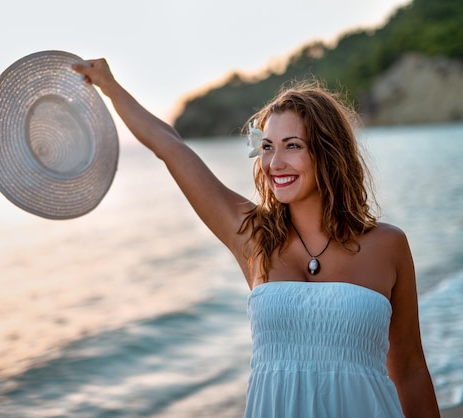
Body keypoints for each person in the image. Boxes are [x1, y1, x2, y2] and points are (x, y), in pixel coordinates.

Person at [73, 59, 440, 417]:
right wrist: (110, 87)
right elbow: (170, 146)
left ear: (328, 152)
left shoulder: (388, 245)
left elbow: (410, 370)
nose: (274, 163)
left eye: (292, 146)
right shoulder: (252, 237)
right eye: (267, 147)